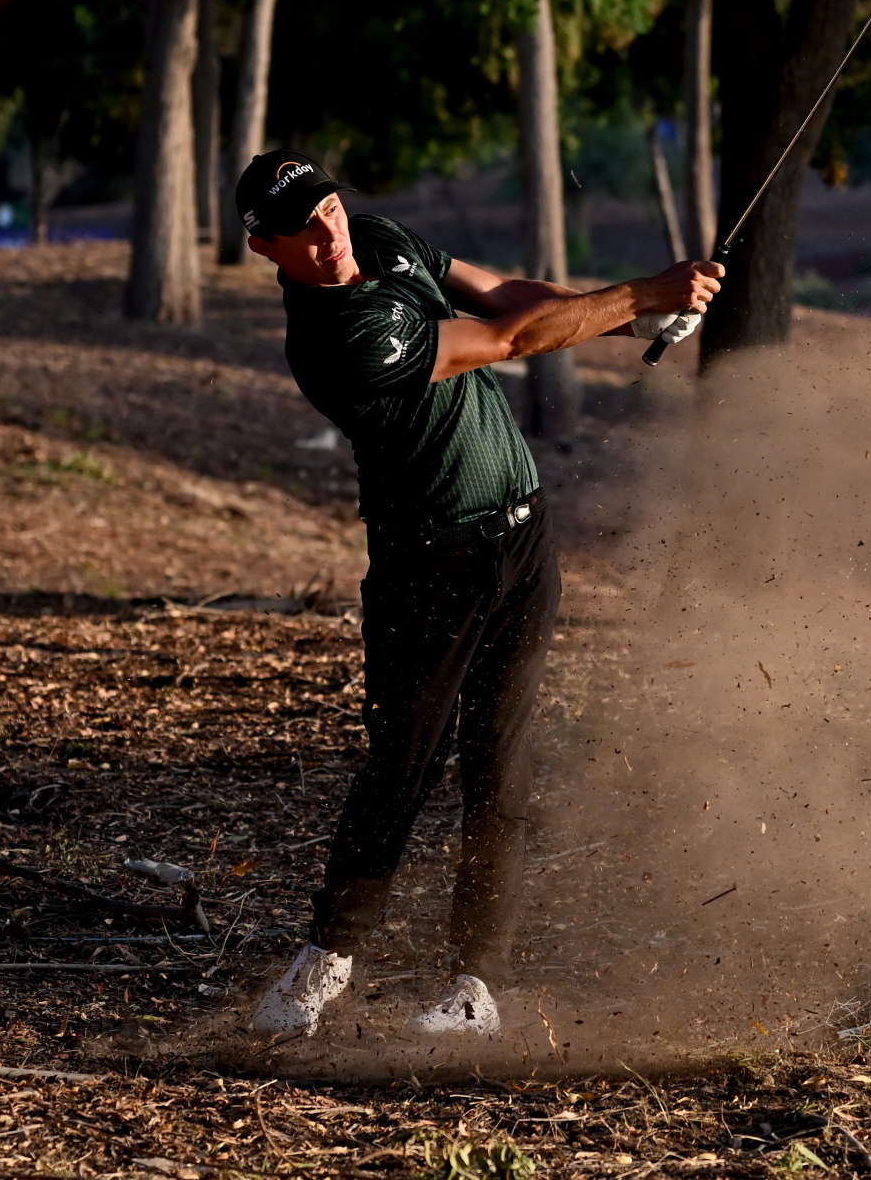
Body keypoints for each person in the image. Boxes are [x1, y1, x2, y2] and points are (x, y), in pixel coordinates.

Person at [234, 150, 721, 1039]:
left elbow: (502, 296)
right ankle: (324, 962)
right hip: (431, 561)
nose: (328, 230)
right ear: (267, 249)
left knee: (503, 765)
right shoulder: (339, 337)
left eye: (330, 206)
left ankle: (473, 985)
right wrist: (645, 293)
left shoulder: (375, 238)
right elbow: (504, 344)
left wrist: (625, 321)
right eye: (302, 227)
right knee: (404, 763)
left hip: (523, 541)